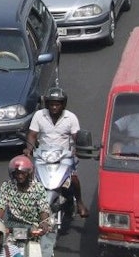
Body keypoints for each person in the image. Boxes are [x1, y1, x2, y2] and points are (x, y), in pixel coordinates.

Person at [24, 87, 89, 218]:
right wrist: (29, 149)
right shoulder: (39, 115)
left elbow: (76, 137)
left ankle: (80, 203)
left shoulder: (71, 118)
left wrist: (76, 149)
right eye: (51, 104)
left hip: (65, 155)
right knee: (31, 178)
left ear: (63, 105)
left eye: (57, 104)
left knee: (74, 178)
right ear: (47, 104)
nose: (54, 107)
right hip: (43, 154)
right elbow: (32, 135)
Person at [0, 155, 54, 257]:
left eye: (23, 173)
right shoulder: (7, 186)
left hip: (33, 227)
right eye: (17, 173)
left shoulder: (38, 188)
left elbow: (43, 208)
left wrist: (44, 223)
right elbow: (1, 204)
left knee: (45, 252)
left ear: (29, 173)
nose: (20, 176)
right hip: (12, 226)